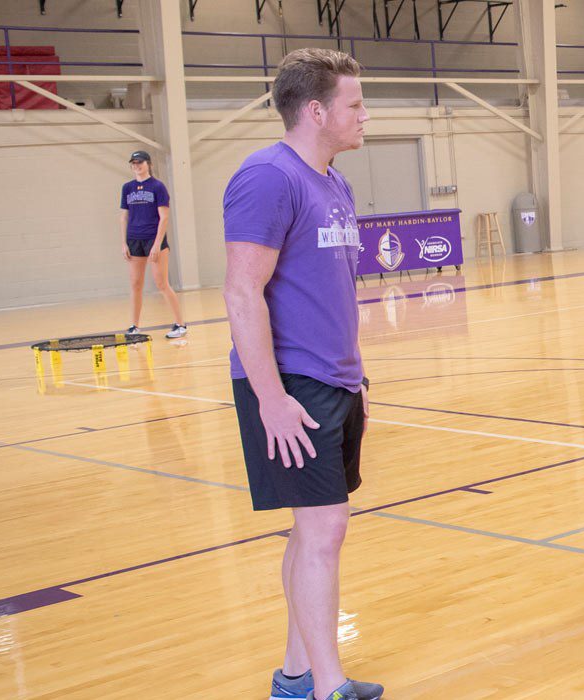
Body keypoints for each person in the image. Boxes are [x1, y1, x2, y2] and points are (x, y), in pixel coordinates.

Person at [222, 49, 382, 700]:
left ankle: (295, 675)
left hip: (335, 381)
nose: (364, 115)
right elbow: (241, 292)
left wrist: (357, 378)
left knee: (312, 530)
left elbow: (334, 291)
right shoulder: (266, 177)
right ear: (315, 111)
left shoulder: (335, 182)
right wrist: (271, 400)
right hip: (290, 384)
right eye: (355, 103)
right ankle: (327, 686)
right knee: (324, 531)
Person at [120, 150, 188, 338]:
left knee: (161, 283)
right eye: (133, 163)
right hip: (134, 239)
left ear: (148, 164)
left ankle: (180, 324)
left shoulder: (157, 187)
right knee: (135, 283)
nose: (136, 165)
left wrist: (157, 244)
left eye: (140, 162)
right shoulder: (127, 188)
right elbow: (124, 216)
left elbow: (164, 217)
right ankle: (134, 326)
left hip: (153, 238)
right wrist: (124, 243)